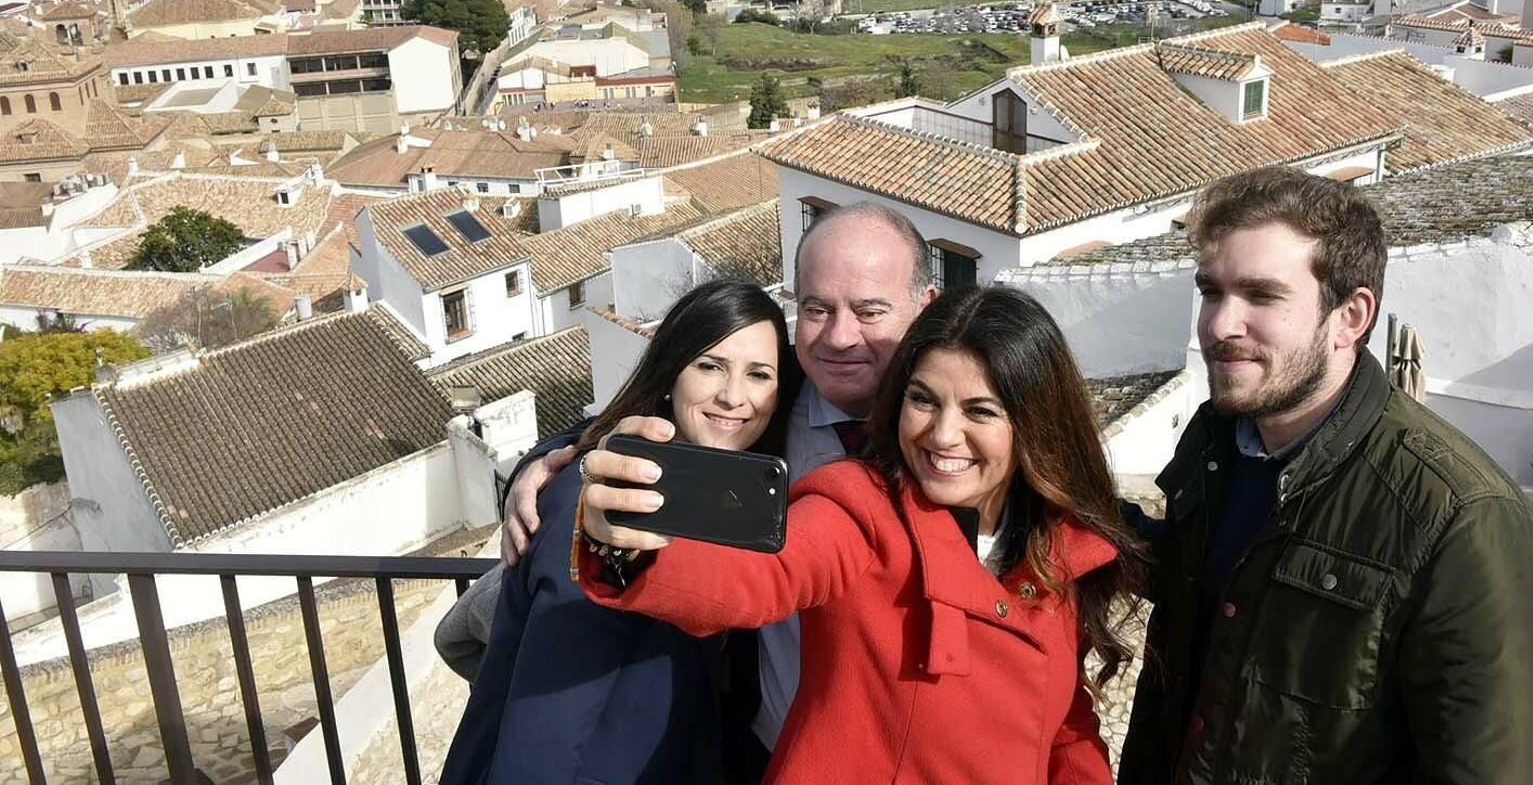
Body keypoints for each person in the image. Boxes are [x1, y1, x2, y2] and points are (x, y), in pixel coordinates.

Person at [578, 285, 1143, 785]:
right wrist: (628, 541)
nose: (943, 434)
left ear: (1035, 427)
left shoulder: (1055, 548)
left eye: (980, 410)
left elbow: (1063, 724)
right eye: (923, 400)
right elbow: (761, 574)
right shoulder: (859, 508)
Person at [1117, 166, 1533, 785]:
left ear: (1350, 317)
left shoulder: (1461, 519)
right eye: (1212, 292)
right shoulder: (1219, 436)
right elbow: (1211, 584)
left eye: (1261, 296)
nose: (1220, 325)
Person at [494, 201, 938, 774]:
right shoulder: (775, 406)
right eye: (817, 308)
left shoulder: (952, 436)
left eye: (870, 310)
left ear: (923, 306)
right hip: (757, 749)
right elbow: (676, 411)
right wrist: (556, 458)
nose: (840, 335)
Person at [439, 279, 800, 785]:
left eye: (759, 375)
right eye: (710, 365)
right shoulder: (607, 504)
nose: (733, 396)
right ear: (672, 372)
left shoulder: (712, 496)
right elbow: (546, 724)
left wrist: (548, 452)